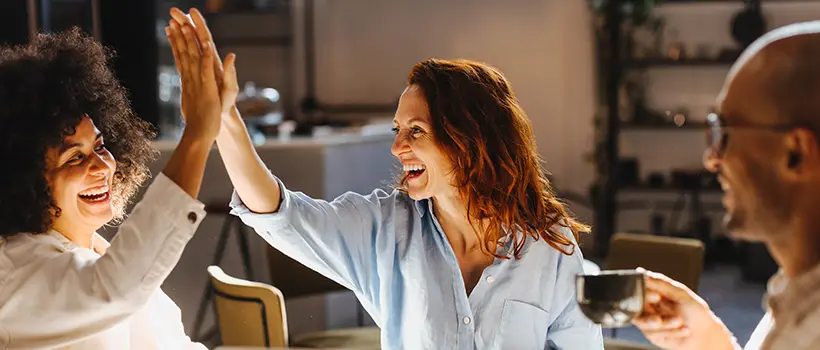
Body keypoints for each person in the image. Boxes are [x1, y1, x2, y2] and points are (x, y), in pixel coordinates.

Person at [168, 8, 603, 349]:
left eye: (416, 131)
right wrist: (223, 117)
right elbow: (278, 212)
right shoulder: (385, 229)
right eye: (398, 131)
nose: (397, 148)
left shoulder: (550, 246)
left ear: (469, 139)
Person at [0, 23, 236, 349]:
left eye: (99, 146)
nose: (101, 165)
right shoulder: (14, 271)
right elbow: (114, 291)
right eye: (74, 158)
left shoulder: (96, 249)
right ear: (23, 180)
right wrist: (196, 136)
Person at [632, 21, 820, 350]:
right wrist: (708, 340)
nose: (711, 159)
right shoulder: (798, 292)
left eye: (724, 133)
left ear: (795, 152)